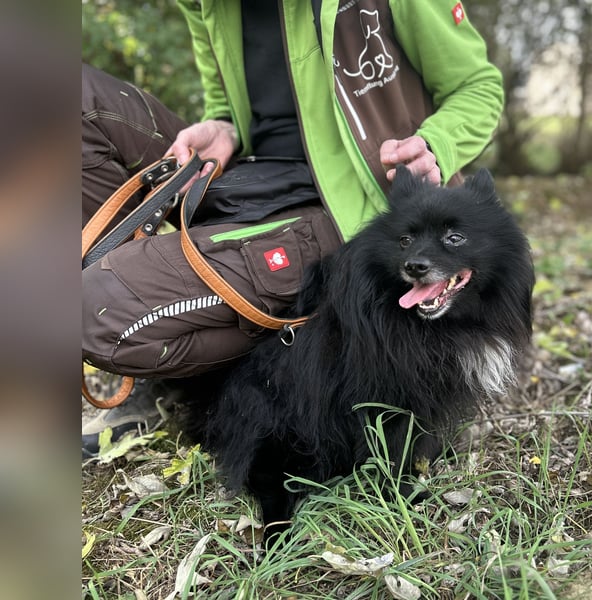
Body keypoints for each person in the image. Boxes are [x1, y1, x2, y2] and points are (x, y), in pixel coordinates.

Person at [82, 0, 504, 454]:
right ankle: (160, 319)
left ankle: (177, 353)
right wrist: (224, 129)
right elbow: (229, 102)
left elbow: (478, 85)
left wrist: (436, 146)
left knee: (89, 310)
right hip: (249, 178)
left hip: (346, 208)